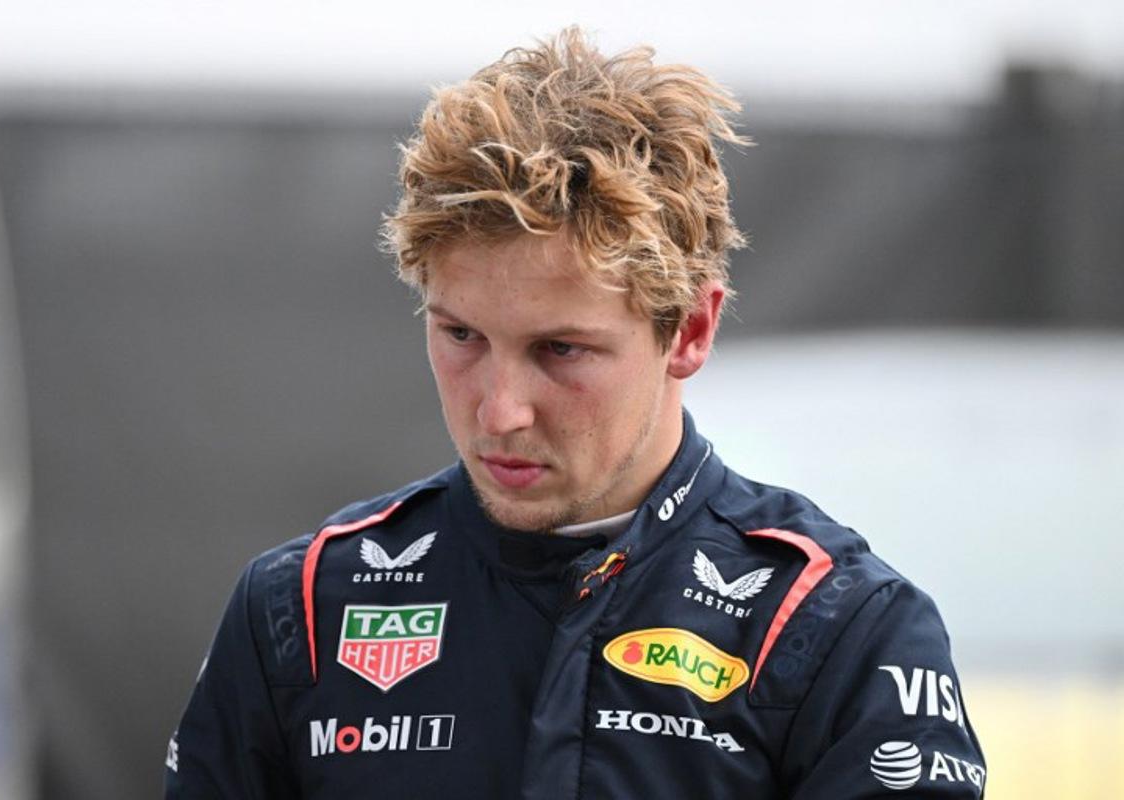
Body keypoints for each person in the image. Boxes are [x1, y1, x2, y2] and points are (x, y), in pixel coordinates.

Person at [165, 27, 987, 798]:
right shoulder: (304, 608)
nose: (500, 410)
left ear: (690, 331)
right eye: (461, 335)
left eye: (561, 350)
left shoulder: (839, 626)